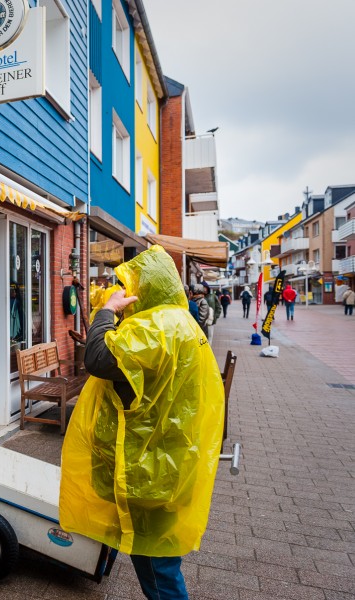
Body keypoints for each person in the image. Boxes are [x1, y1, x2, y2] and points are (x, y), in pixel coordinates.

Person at [60, 245, 224, 600]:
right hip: (166, 459)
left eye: (130, 285)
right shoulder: (179, 322)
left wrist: (106, 312)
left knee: (157, 570)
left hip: (148, 472)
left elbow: (98, 358)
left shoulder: (155, 328)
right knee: (152, 557)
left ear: (145, 287)